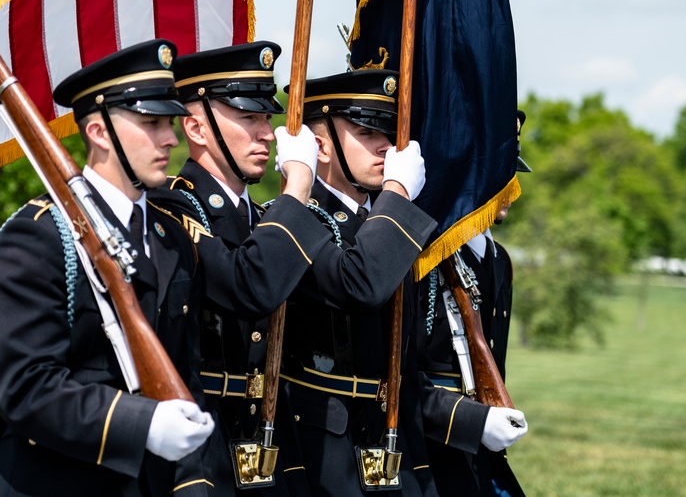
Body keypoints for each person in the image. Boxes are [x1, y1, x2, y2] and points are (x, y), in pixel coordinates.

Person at [0, 39, 215, 497]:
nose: (171, 138)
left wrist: (193, 480)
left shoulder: (172, 236)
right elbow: (24, 384)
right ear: (99, 133)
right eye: (151, 123)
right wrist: (141, 424)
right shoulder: (39, 235)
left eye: (171, 123)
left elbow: (186, 375)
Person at [148, 41, 334, 495]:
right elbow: (247, 285)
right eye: (249, 118)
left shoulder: (261, 216)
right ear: (195, 126)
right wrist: (299, 188)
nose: (267, 134)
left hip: (267, 442)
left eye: (266, 119)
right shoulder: (171, 207)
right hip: (200, 443)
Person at [279, 69, 440, 496]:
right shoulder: (295, 219)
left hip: (392, 435)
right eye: (367, 131)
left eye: (388, 132)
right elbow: (359, 284)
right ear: (320, 146)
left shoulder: (382, 224)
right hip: (323, 444)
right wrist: (398, 192)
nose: (386, 145)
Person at [416, 110, 533, 497]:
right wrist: (473, 422)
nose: (513, 188)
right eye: (503, 176)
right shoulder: (425, 252)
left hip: (479, 447)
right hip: (429, 448)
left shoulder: (498, 259)